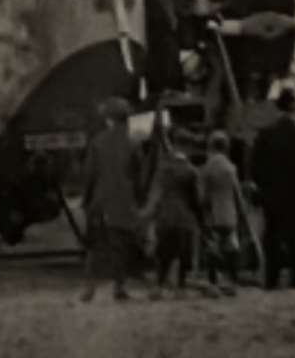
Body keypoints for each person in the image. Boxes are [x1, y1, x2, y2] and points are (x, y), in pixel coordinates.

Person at [249, 87, 295, 290]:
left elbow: (255, 168)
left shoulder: (265, 135)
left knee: (272, 235)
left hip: (273, 195)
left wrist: (264, 189)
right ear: (293, 106)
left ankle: (272, 278)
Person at [80, 97, 145, 302]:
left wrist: (86, 198)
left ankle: (89, 288)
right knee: (120, 244)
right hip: (124, 201)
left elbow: (89, 173)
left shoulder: (98, 141)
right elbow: (139, 174)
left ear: (109, 118)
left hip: (100, 200)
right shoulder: (135, 141)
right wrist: (138, 198)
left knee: (94, 245)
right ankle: (119, 287)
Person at [145, 127, 206, 299]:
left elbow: (155, 194)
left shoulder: (163, 168)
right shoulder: (191, 171)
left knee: (164, 253)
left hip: (164, 217)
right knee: (183, 254)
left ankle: (158, 286)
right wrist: (201, 219)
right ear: (187, 146)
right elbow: (197, 200)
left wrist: (150, 217)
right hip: (184, 218)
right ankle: (180, 287)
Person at [198, 131, 248, 295]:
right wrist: (241, 212)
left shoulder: (207, 168)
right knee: (231, 248)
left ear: (210, 146)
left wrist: (202, 211)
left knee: (213, 249)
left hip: (213, 215)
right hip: (229, 213)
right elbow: (237, 193)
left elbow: (203, 196)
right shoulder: (230, 168)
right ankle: (232, 282)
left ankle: (214, 284)